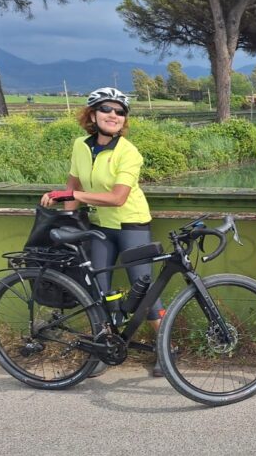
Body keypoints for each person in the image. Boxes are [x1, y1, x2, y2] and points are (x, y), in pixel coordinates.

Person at [40, 87, 166, 377]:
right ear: (92, 115)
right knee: (98, 289)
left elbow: (118, 198)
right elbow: (72, 186)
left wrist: (75, 196)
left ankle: (164, 348)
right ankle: (104, 348)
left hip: (131, 223)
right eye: (106, 109)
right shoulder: (80, 146)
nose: (113, 115)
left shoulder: (128, 152)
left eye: (119, 111)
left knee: (143, 289)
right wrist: (68, 219)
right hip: (99, 226)